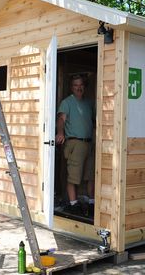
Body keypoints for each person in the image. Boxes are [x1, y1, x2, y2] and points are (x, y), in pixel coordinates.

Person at [56, 74, 95, 217]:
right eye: (75, 85)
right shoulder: (67, 102)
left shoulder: (89, 103)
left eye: (81, 85)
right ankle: (74, 205)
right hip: (75, 142)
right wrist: (60, 133)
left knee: (91, 176)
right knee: (73, 176)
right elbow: (61, 119)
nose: (78, 87)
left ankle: (92, 203)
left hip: (89, 143)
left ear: (84, 86)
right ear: (71, 87)